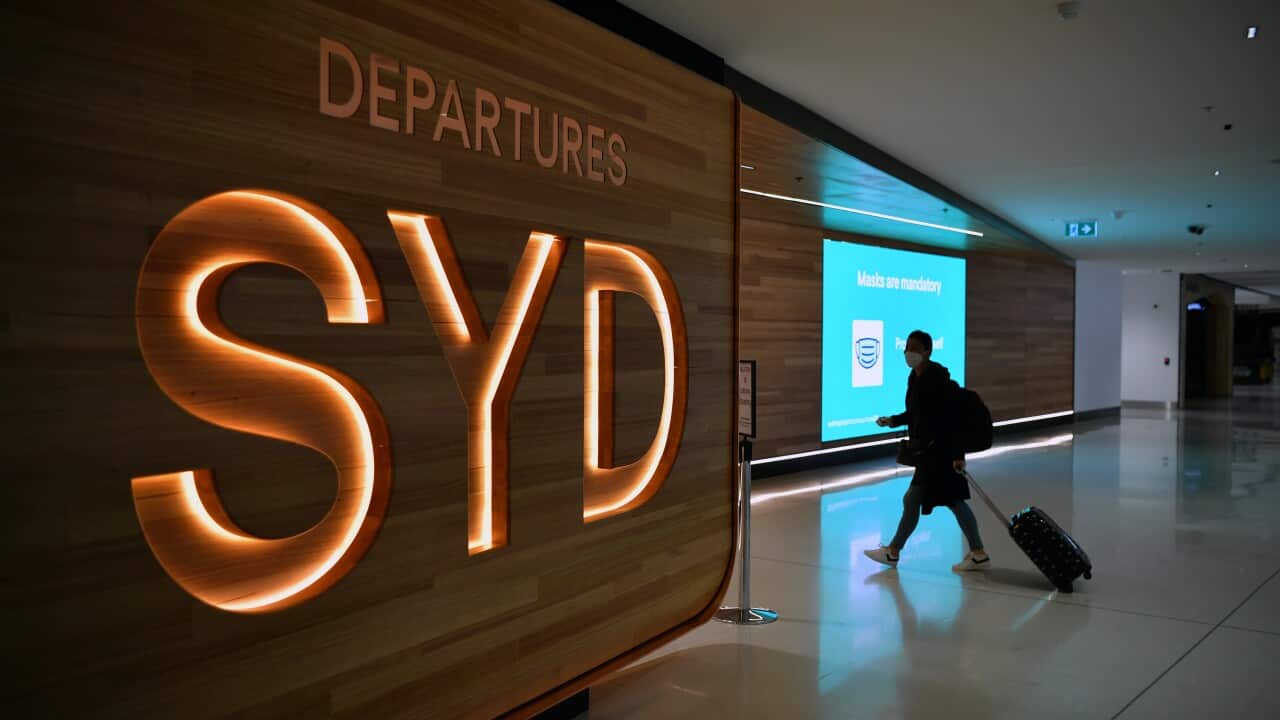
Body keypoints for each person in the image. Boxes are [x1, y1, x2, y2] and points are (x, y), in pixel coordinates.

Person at [863, 329, 990, 571]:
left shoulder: (938, 382)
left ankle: (893, 552)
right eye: (906, 347)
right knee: (951, 500)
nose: (908, 352)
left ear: (927, 352)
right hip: (930, 452)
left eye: (914, 348)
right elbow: (915, 413)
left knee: (916, 499)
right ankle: (978, 553)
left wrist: (958, 455)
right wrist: (893, 420)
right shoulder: (915, 377)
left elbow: (952, 422)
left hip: (940, 453)